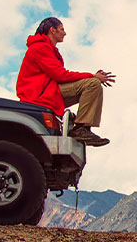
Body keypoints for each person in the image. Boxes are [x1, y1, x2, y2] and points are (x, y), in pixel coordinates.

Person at [16, 17, 115, 146]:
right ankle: (81, 128)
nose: (65, 33)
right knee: (92, 84)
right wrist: (92, 76)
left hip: (48, 91)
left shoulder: (47, 48)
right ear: (53, 30)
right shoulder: (40, 48)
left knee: (92, 84)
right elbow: (60, 75)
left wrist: (92, 76)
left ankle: (82, 128)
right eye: (62, 29)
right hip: (39, 96)